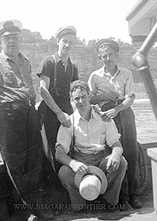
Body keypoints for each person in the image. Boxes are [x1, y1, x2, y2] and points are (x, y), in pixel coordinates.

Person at [0, 20, 54, 221]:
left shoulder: (26, 61)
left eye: (15, 37)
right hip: (7, 116)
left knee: (35, 161)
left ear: (20, 39)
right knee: (16, 165)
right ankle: (33, 211)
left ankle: (32, 209)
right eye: (7, 38)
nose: (12, 41)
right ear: (0, 41)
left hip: (29, 114)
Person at [55, 80, 127, 211]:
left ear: (89, 96)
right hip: (79, 163)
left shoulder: (103, 118)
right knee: (64, 172)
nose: (81, 101)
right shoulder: (69, 122)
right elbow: (59, 153)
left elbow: (116, 144)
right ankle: (80, 204)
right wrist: (73, 164)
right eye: (77, 98)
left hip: (101, 161)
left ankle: (109, 202)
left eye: (83, 97)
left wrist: (115, 155)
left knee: (121, 162)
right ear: (72, 100)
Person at [88, 38, 142, 210]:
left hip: (123, 113)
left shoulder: (126, 73)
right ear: (100, 57)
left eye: (110, 55)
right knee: (112, 153)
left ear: (116, 55)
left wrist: (117, 109)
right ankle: (119, 197)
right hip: (105, 117)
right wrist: (104, 99)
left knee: (130, 152)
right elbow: (90, 99)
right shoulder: (95, 76)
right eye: (103, 56)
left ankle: (133, 195)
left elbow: (130, 98)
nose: (107, 59)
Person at [37, 26, 78, 173]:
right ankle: (56, 191)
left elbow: (76, 92)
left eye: (71, 43)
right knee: (52, 152)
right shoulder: (48, 62)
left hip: (67, 112)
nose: (67, 45)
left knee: (68, 148)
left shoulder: (73, 67)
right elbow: (42, 90)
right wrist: (59, 113)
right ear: (57, 41)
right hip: (50, 112)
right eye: (64, 41)